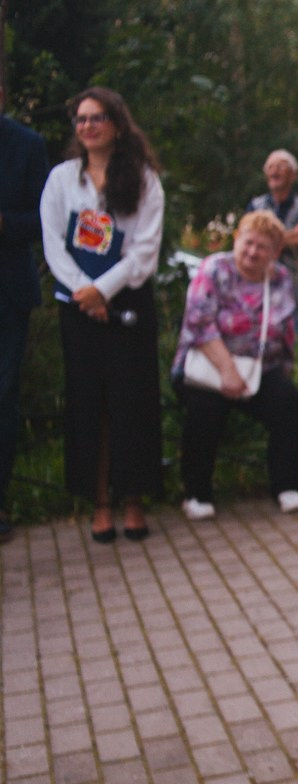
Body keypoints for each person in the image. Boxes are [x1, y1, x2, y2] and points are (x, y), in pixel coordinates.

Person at [40, 87, 165, 543]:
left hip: (127, 304)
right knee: (90, 405)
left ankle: (134, 500)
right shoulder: (61, 180)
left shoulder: (144, 179)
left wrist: (103, 290)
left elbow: (144, 252)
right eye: (81, 119)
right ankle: (99, 504)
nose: (87, 126)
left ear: (117, 124)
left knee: (132, 403)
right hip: (76, 308)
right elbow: (53, 242)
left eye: (97, 118)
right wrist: (83, 292)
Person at [172, 210, 298, 519]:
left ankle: (286, 486)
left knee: (289, 405)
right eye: (248, 243)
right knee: (206, 411)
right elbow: (199, 325)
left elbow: (284, 329)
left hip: (258, 369)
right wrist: (227, 372)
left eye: (263, 247)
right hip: (207, 365)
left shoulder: (281, 278)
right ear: (237, 240)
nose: (253, 252)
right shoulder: (214, 269)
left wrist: (283, 374)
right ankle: (196, 493)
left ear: (275, 252)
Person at [0, 87, 49, 543]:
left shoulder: (27, 145)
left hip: (8, 293)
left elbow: (44, 219)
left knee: (3, 397)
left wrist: (4, 224)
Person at [246, 149, 298, 339]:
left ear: (293, 175)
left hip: (296, 289)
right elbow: (246, 238)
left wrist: (264, 238)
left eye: (280, 166)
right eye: (270, 166)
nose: (274, 170)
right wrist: (285, 237)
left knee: (295, 342)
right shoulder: (256, 205)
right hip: (259, 286)